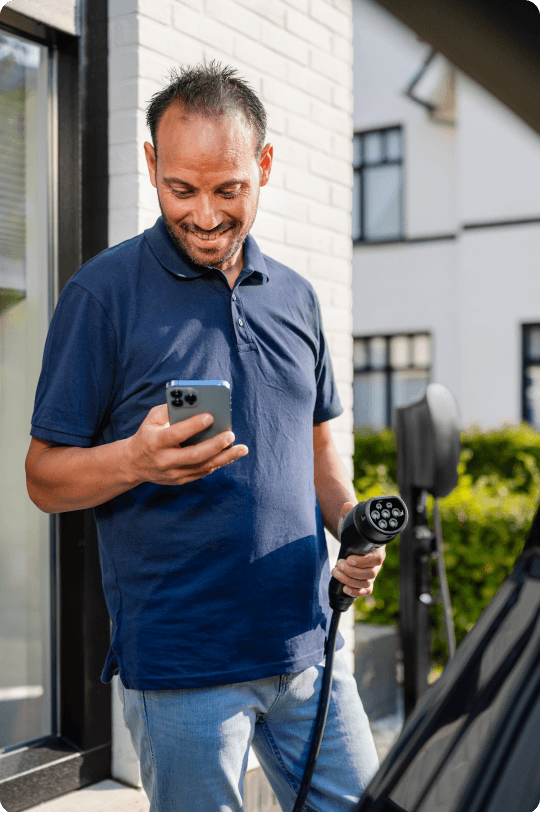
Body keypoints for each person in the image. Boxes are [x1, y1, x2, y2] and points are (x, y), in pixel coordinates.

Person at [26, 62, 385, 812]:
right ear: (151, 164)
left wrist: (351, 531)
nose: (206, 215)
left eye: (229, 189)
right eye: (181, 189)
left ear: (266, 166)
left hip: (307, 647)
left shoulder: (297, 296)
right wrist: (134, 458)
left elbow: (320, 446)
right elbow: (44, 478)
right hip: (183, 669)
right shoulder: (102, 296)